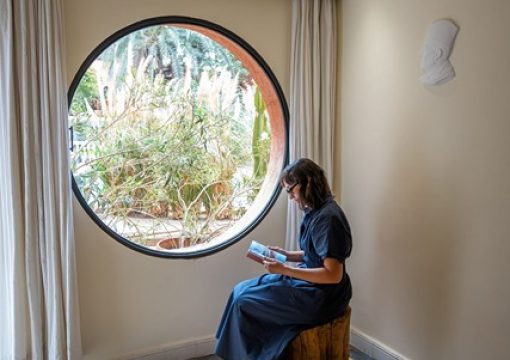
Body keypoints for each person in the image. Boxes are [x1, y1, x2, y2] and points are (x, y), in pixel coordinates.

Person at [215, 158, 352, 360]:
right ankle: (237, 354)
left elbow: (333, 274)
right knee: (240, 290)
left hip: (324, 296)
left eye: (290, 190)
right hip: (312, 285)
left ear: (308, 182)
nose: (290, 197)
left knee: (245, 301)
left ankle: (246, 355)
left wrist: (284, 269)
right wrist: (288, 255)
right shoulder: (315, 210)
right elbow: (317, 255)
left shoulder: (328, 218)